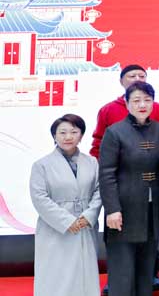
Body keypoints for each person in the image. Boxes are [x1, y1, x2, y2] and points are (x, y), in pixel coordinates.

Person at [90, 64, 159, 294]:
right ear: (126, 104)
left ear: (153, 103)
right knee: (122, 271)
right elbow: (106, 173)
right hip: (123, 209)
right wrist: (112, 209)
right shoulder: (115, 132)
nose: (142, 105)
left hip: (152, 209)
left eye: (147, 100)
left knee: (147, 271)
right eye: (136, 100)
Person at [30, 114, 102, 296]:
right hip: (55, 229)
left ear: (81, 135)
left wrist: (88, 216)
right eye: (62, 132)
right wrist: (67, 221)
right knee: (56, 275)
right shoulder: (41, 165)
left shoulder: (92, 162)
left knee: (85, 274)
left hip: (84, 225)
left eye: (74, 132)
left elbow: (99, 191)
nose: (68, 137)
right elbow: (39, 198)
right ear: (54, 136)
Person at [91, 64, 159, 159]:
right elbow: (99, 141)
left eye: (142, 76)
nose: (137, 79)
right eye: (132, 76)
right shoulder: (107, 110)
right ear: (121, 82)